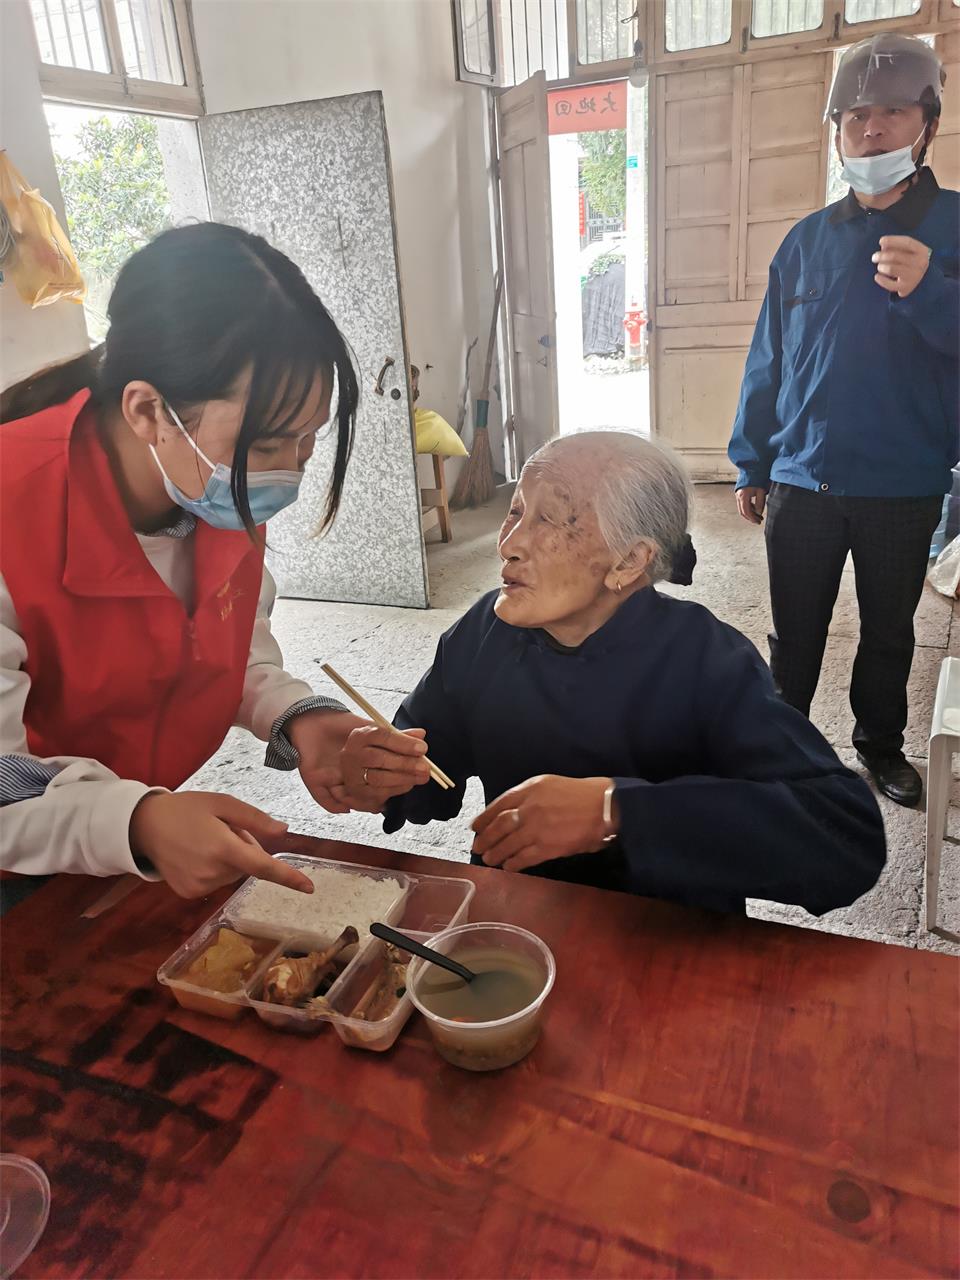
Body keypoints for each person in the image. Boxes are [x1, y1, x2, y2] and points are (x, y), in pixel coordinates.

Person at [0, 222, 429, 898]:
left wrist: (302, 718)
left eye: (308, 444)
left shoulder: (208, 484)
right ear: (148, 411)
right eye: (267, 447)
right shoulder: (12, 511)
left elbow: (230, 655)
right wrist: (137, 821)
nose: (287, 476)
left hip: (120, 829)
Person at [344, 432, 886, 916]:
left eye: (549, 519)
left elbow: (845, 837)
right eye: (515, 511)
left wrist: (617, 812)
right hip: (519, 923)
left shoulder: (704, 658)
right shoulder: (487, 630)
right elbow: (429, 764)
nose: (508, 544)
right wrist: (387, 774)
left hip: (664, 939)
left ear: (629, 562)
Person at [729, 34, 958, 808]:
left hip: (904, 481)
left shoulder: (954, 228)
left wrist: (933, 290)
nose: (871, 130)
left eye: (891, 112)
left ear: (926, 122)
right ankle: (780, 742)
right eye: (856, 116)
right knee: (794, 630)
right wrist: (751, 461)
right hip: (804, 479)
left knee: (889, 633)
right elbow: (770, 359)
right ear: (837, 130)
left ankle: (879, 746)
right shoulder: (806, 242)